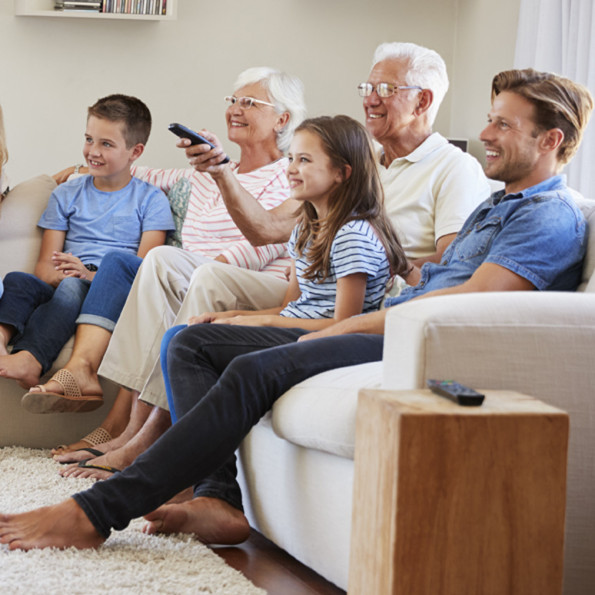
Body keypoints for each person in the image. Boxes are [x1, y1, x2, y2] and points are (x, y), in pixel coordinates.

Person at [0, 67, 591, 550]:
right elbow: (428, 275)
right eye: (489, 119)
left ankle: (96, 513)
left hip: (411, 337)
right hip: (394, 321)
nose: (485, 133)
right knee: (190, 342)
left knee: (249, 367)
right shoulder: (499, 205)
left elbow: (469, 305)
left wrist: (352, 319)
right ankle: (217, 499)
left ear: (550, 140)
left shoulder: (547, 216)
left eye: (502, 124)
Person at [53, 42, 490, 470]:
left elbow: (447, 270)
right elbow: (275, 229)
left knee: (203, 287)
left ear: (423, 101)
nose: (369, 99)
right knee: (165, 268)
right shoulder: (352, 162)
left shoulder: (450, 169)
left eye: (385, 90)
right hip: (314, 287)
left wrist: (388, 265)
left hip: (372, 299)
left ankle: (150, 443)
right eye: (366, 87)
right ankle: (124, 427)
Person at [23, 66, 305, 428]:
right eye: (233, 100)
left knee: (162, 273)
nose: (235, 108)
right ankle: (82, 371)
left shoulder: (290, 175)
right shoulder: (204, 173)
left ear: (282, 119)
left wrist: (186, 273)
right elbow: (139, 172)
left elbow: (259, 245)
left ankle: (118, 429)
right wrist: (84, 166)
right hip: (183, 274)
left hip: (237, 283)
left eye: (248, 102)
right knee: (121, 263)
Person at [0, 94, 174, 397]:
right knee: (18, 281)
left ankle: (31, 359)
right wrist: (64, 274)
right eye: (89, 139)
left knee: (71, 290)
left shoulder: (151, 200)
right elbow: (44, 266)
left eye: (106, 144)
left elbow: (143, 271)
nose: (93, 151)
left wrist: (87, 276)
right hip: (64, 279)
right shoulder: (66, 194)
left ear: (136, 151)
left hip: (110, 289)